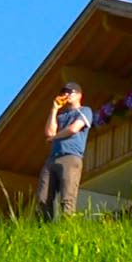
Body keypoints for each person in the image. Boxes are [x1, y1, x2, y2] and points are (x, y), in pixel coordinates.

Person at [37, 82, 93, 220]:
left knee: (67, 197)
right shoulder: (61, 115)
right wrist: (54, 109)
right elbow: (49, 132)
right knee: (43, 197)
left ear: (79, 95)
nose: (66, 95)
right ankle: (43, 226)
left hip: (71, 157)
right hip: (53, 157)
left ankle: (67, 226)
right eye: (64, 92)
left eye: (70, 92)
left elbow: (74, 128)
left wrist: (54, 138)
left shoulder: (85, 111)